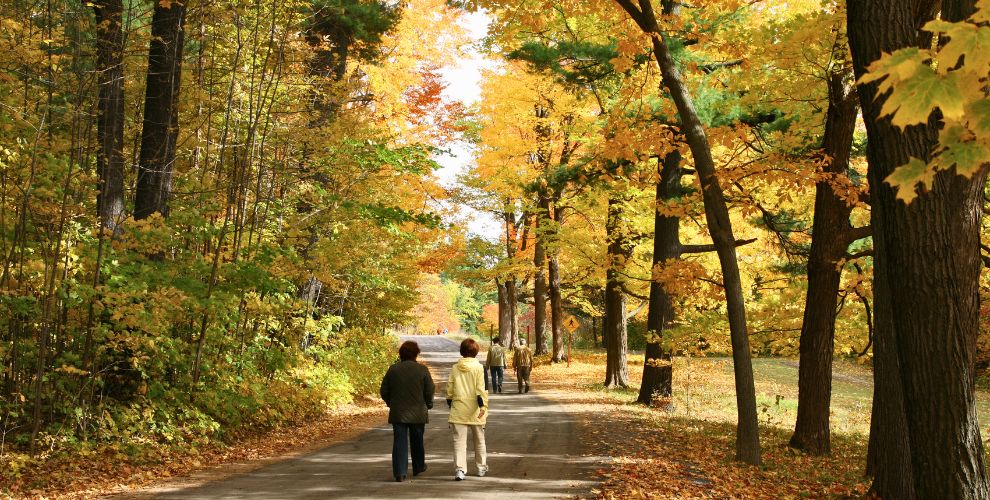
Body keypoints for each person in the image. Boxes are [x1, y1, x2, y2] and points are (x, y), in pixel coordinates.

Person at [380, 341, 435, 482]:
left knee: (399, 441)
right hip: (418, 411)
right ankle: (418, 466)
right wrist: (428, 404)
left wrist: (390, 403)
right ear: (416, 353)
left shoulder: (393, 369)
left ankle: (400, 472)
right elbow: (429, 390)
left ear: (401, 354)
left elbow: (384, 390)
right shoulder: (422, 370)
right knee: (417, 439)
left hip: (398, 412)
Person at [446, 338, 489, 481]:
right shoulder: (479, 368)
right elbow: (481, 389)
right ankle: (481, 467)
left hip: (459, 408)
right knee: (479, 439)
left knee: (458, 441)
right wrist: (483, 406)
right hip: (476, 409)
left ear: (462, 351)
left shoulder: (455, 368)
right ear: (476, 352)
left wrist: (450, 401)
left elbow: (450, 388)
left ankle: (460, 470)